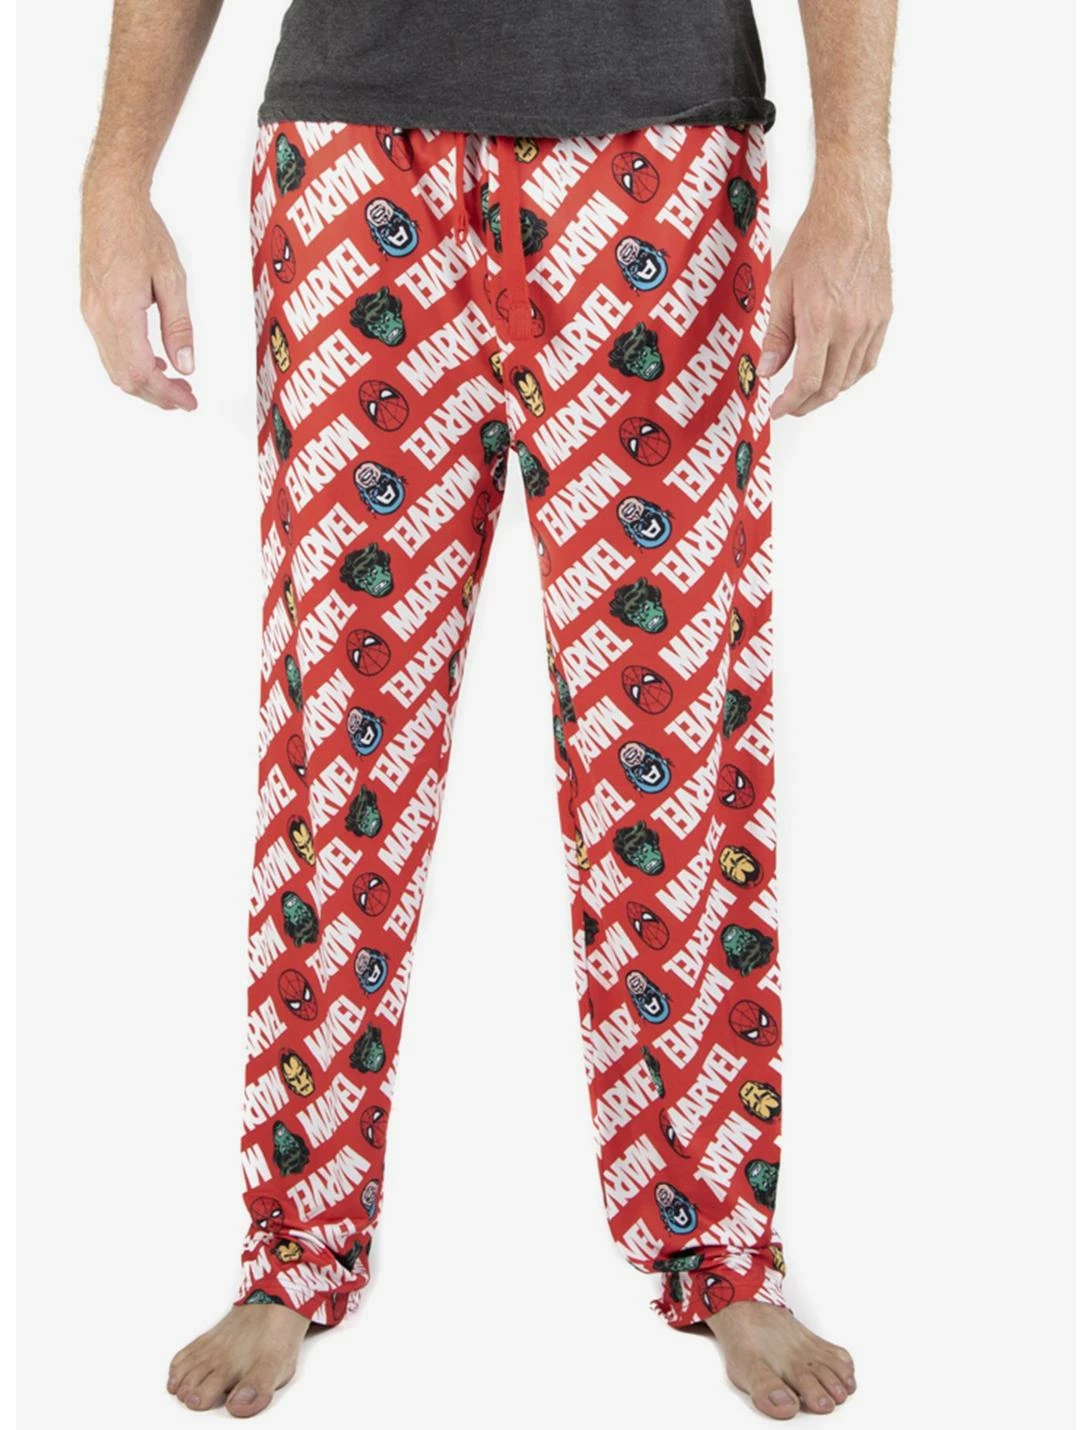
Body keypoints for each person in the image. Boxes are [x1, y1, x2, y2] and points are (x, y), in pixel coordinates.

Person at [80, 1, 895, 1419]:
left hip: (657, 159)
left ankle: (717, 1242)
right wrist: (114, 175)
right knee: (337, 743)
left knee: (667, 753)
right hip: (353, 153)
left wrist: (856, 187)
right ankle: (292, 1247)